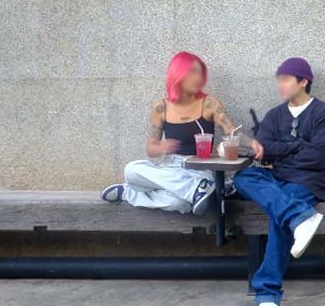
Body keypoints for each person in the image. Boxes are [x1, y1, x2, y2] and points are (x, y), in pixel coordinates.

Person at [233, 58, 325, 306]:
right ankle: (300, 216)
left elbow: (318, 157)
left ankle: (267, 294)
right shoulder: (274, 115)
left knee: (278, 214)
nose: (280, 85)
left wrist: (280, 156)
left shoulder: (323, 114)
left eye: (286, 79)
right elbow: (263, 150)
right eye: (278, 79)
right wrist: (295, 147)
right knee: (243, 176)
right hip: (277, 179)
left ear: (303, 82)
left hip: (307, 182)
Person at [101, 52, 261, 214]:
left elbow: (232, 132)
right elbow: (151, 149)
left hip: (199, 169)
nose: (198, 78)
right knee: (131, 169)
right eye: (192, 72)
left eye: (200, 73)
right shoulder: (161, 107)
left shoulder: (209, 104)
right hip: (170, 168)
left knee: (178, 203)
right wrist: (162, 147)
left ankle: (130, 193)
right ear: (178, 74)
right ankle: (193, 190)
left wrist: (252, 143)